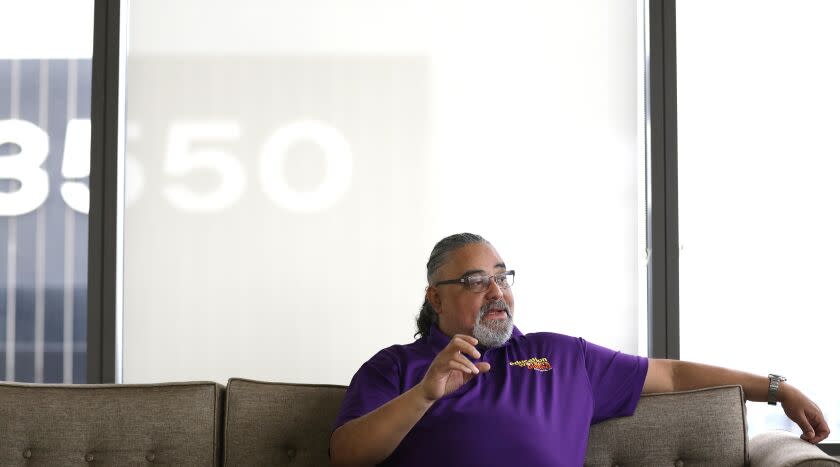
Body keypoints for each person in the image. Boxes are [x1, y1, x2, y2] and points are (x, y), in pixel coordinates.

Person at [330, 233, 830, 466]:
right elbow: (347, 455)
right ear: (435, 297)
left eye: (502, 278)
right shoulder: (396, 367)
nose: (497, 292)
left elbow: (673, 377)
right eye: (477, 281)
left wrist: (775, 388)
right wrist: (423, 395)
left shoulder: (563, 356)